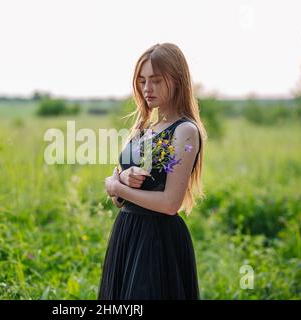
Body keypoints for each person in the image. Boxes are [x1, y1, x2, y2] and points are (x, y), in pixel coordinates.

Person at [99, 43, 207, 300]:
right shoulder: (144, 128)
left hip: (157, 241)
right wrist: (121, 180)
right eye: (142, 80)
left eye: (156, 80)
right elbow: (116, 193)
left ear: (178, 80)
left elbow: (170, 203)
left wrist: (117, 187)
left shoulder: (184, 131)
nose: (147, 89)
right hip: (128, 233)